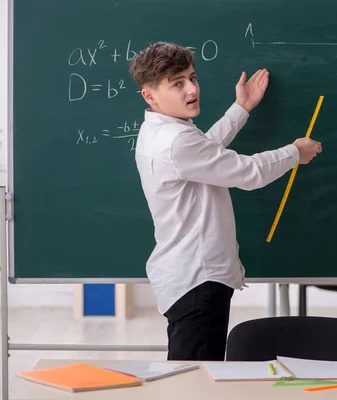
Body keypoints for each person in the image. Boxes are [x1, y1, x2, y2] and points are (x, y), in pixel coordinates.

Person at [129, 42, 322, 361]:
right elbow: (248, 173)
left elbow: (206, 151)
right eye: (177, 83)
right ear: (150, 95)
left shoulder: (162, 131)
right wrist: (294, 153)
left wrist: (241, 108)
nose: (191, 89)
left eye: (192, 77)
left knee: (191, 374)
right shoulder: (176, 141)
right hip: (198, 278)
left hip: (186, 276)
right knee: (196, 381)